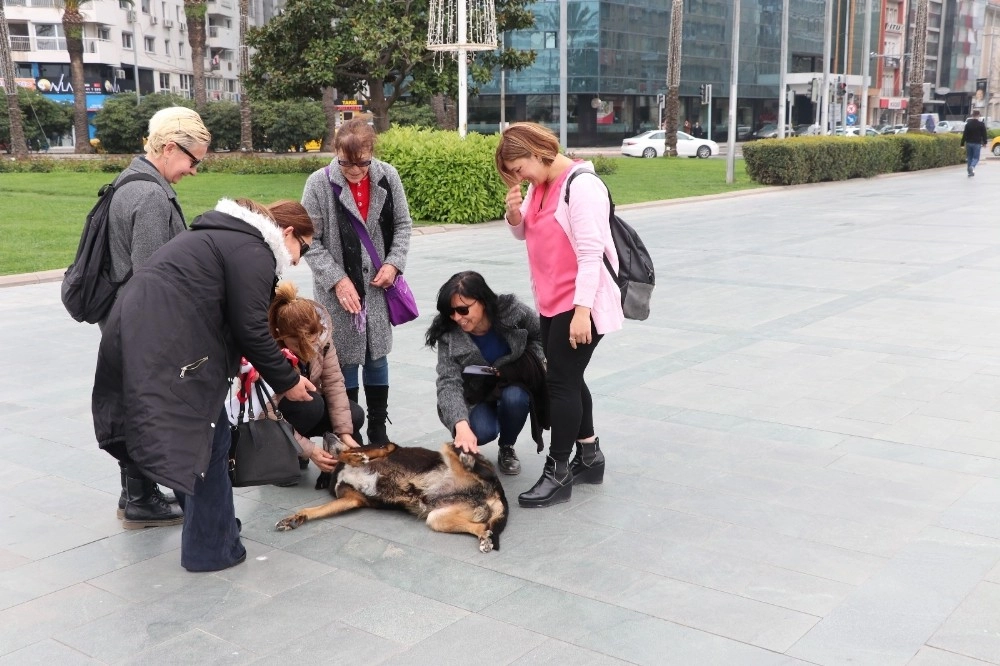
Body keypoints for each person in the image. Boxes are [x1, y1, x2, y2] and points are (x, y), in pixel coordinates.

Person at [92, 198, 317, 572]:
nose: (297, 260)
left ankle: (215, 527)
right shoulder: (253, 250)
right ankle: (212, 549)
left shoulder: (225, 236)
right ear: (288, 233)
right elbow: (251, 330)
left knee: (197, 440)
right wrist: (289, 380)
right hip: (168, 343)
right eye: (303, 248)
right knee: (208, 443)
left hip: (140, 331)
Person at [495, 122, 624, 508]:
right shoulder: (540, 186)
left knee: (560, 383)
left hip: (580, 302)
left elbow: (590, 253)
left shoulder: (582, 186)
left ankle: (559, 470)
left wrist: (583, 312)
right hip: (552, 301)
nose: (518, 177)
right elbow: (531, 234)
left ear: (538, 151)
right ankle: (590, 457)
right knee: (567, 376)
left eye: (519, 168)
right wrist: (515, 216)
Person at [103, 106, 211, 529]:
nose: (194, 170)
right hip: (142, 324)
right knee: (146, 407)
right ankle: (141, 499)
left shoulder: (132, 180)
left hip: (126, 318)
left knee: (138, 403)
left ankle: (138, 490)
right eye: (192, 160)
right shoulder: (149, 196)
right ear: (169, 148)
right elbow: (153, 277)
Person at [301, 118, 413, 445]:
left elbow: (404, 226)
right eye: (346, 162)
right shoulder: (318, 184)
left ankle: (378, 427)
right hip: (338, 294)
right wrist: (337, 279)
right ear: (335, 152)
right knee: (343, 362)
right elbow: (310, 240)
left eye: (362, 161)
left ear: (372, 152)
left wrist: (393, 264)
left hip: (378, 288)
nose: (355, 170)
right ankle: (350, 433)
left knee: (377, 356)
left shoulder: (387, 176)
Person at [425, 271, 548, 476]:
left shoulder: (512, 312)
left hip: (512, 382)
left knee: (515, 399)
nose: (457, 318)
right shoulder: (449, 334)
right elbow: (448, 381)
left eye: (463, 310)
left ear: (482, 301)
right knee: (481, 431)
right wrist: (460, 424)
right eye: (451, 312)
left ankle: (507, 447)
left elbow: (542, 335)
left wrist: (530, 360)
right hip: (476, 393)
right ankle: (468, 435)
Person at [265, 278, 364, 483]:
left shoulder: (324, 343)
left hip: (305, 410)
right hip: (271, 421)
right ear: (280, 335)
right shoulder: (266, 353)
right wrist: (310, 451)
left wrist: (344, 434)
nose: (307, 347)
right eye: (297, 342)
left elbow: (335, 385)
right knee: (310, 404)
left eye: (312, 339)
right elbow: (266, 414)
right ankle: (283, 457)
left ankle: (310, 452)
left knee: (354, 414)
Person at [961, 109, 988, 177]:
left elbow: (965, 134)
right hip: (977, 143)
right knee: (976, 158)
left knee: (969, 157)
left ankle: (970, 172)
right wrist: (985, 142)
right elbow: (984, 134)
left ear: (972, 115)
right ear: (978, 115)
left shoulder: (968, 124)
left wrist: (962, 143)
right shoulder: (981, 124)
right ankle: (972, 167)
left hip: (969, 143)